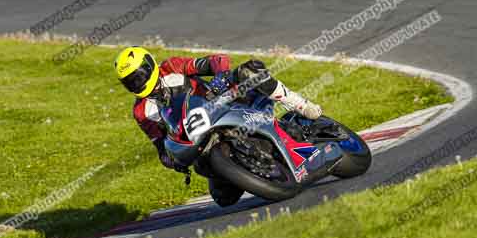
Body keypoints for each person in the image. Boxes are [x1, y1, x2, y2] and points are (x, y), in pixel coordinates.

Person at [114, 47, 323, 205]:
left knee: (249, 72)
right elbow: (160, 146)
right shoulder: (141, 111)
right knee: (223, 199)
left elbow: (216, 60)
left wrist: (220, 75)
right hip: (200, 142)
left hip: (225, 103)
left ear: (149, 66)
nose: (136, 83)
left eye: (138, 76)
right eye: (130, 82)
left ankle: (301, 105)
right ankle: (250, 163)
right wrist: (172, 159)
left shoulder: (172, 67)